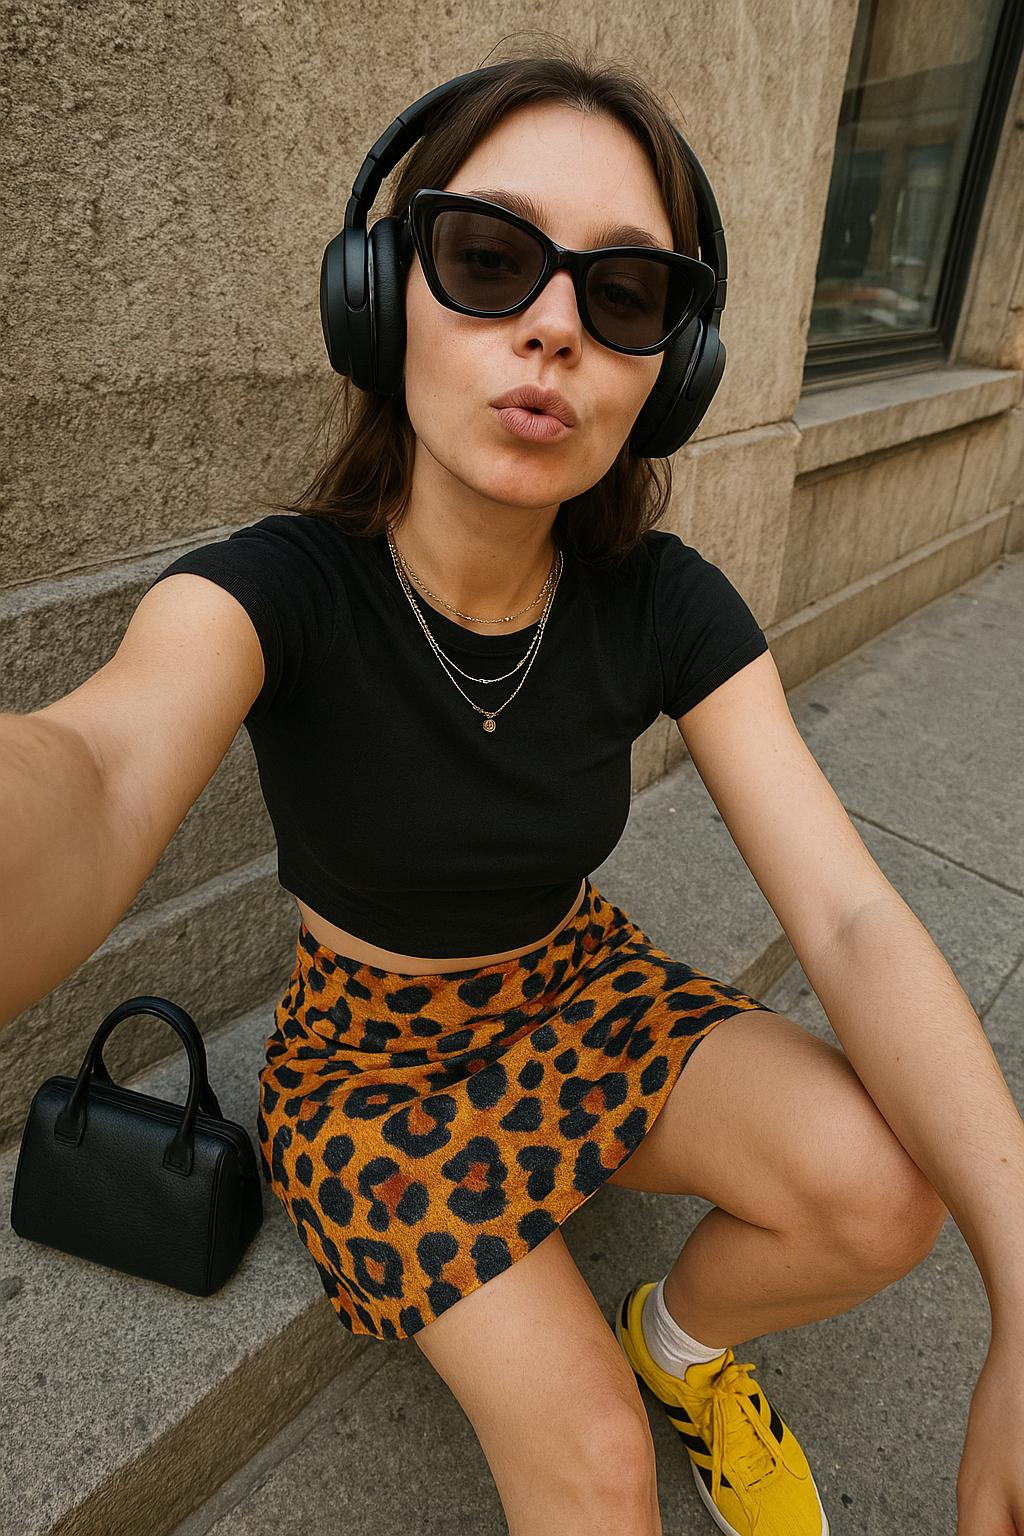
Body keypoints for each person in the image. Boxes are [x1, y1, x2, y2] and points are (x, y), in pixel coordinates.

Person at [6, 43, 1024, 1536]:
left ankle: (677, 1348)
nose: (553, 324)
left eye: (621, 296)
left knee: (890, 1193)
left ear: (665, 372)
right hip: (369, 1073)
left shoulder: (661, 602)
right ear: (381, 296)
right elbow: (90, 768)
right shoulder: (278, 588)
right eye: (487, 258)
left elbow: (851, 914)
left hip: (576, 986)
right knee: (598, 1478)